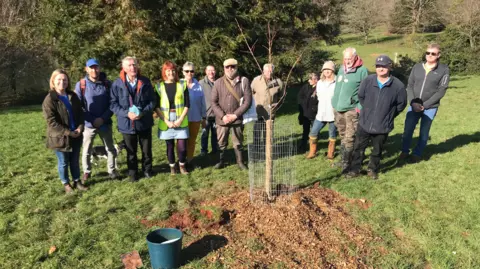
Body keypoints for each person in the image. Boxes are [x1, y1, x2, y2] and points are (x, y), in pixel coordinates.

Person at [346, 55, 407, 179]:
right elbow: (361, 96)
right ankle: (355, 169)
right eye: (378, 66)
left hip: (383, 125)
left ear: (390, 67)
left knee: (377, 150)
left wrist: (389, 114)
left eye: (384, 66)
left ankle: (372, 169)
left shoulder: (398, 86)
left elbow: (401, 104)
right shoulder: (368, 81)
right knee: (358, 148)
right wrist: (368, 110)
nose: (381, 68)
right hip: (364, 122)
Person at [399, 43, 450, 163]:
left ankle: (417, 153)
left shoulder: (444, 70)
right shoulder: (417, 67)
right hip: (414, 105)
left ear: (438, 55)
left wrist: (425, 105)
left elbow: (441, 90)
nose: (430, 55)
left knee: (424, 133)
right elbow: (410, 86)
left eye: (433, 53)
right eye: (428, 53)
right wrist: (412, 102)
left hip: (430, 107)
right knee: (407, 130)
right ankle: (404, 151)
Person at [42, 69, 88, 193]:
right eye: (59, 80)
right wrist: (68, 132)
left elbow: (80, 114)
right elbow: (51, 122)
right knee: (63, 162)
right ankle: (66, 183)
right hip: (60, 138)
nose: (62, 82)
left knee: (74, 161)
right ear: (53, 81)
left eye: (65, 80)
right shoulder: (49, 99)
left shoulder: (72, 96)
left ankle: (77, 181)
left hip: (76, 135)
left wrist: (80, 127)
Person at [110, 56, 155, 182]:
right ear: (124, 68)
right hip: (127, 124)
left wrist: (143, 112)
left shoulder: (145, 81)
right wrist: (126, 113)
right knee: (131, 152)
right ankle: (133, 174)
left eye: (134, 64)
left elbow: (152, 101)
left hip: (144, 122)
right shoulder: (117, 84)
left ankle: (147, 170)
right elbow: (113, 104)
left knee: (146, 151)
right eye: (129, 65)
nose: (132, 67)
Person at [75, 59, 119, 183]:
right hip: (89, 124)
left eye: (96, 67)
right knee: (86, 150)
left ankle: (112, 170)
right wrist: (92, 119)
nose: (94, 70)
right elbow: (79, 106)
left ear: (99, 68)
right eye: (91, 68)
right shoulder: (81, 85)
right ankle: (87, 172)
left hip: (105, 122)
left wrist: (103, 118)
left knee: (110, 148)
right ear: (87, 69)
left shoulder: (107, 84)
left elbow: (113, 104)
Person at [331, 47, 368, 173]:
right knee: (342, 135)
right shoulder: (341, 69)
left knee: (350, 136)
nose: (347, 61)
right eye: (345, 58)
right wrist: (334, 102)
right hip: (338, 108)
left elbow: (365, 91)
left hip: (351, 109)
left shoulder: (362, 71)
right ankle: (343, 160)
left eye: (349, 58)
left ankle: (347, 163)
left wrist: (359, 106)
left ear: (355, 57)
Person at [211, 58, 252, 170]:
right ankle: (221, 161)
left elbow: (248, 102)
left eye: (232, 66)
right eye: (227, 67)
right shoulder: (218, 82)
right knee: (221, 142)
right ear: (224, 68)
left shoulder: (244, 81)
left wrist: (235, 115)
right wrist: (223, 116)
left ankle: (240, 162)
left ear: (236, 67)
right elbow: (213, 102)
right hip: (222, 120)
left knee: (238, 142)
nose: (230, 69)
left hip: (237, 119)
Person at [154, 61, 190, 175]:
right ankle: (172, 167)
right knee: (169, 146)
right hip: (166, 120)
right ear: (164, 72)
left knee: (182, 148)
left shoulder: (182, 85)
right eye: (168, 70)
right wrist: (167, 121)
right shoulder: (159, 87)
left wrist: (180, 120)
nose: (171, 72)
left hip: (181, 119)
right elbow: (156, 106)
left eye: (173, 70)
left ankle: (182, 165)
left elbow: (187, 104)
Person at [306, 61, 337, 160]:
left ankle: (330, 153)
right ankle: (312, 152)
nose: (327, 71)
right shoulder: (319, 83)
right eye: (325, 70)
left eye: (329, 69)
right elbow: (319, 96)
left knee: (332, 135)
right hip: (321, 113)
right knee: (313, 133)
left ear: (332, 70)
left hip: (333, 113)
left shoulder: (337, 82)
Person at [251, 63, 284, 147]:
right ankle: (257, 148)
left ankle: (268, 148)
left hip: (270, 112)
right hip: (258, 111)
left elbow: (282, 96)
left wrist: (277, 104)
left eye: (271, 71)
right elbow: (250, 92)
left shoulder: (278, 82)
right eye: (267, 71)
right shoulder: (256, 80)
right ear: (263, 71)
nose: (270, 73)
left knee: (268, 132)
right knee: (257, 130)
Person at [182, 62, 206, 169]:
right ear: (183, 72)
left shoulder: (198, 86)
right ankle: (181, 162)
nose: (189, 73)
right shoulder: (179, 85)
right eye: (187, 71)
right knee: (182, 141)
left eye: (191, 71)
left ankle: (190, 160)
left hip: (196, 118)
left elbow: (203, 103)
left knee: (192, 141)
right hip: (182, 119)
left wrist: (204, 117)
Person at [199, 65, 219, 156]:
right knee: (205, 133)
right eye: (209, 70)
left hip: (217, 114)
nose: (211, 72)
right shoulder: (201, 83)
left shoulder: (219, 82)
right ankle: (204, 150)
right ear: (206, 72)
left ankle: (215, 149)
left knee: (215, 133)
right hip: (205, 114)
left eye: (213, 70)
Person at [297, 72, 319, 151]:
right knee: (305, 130)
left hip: (314, 114)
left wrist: (315, 109)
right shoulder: (306, 87)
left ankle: (313, 147)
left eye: (310, 79)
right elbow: (300, 96)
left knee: (314, 131)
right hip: (305, 113)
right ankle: (303, 145)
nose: (309, 81)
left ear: (316, 80)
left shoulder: (319, 88)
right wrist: (302, 105)